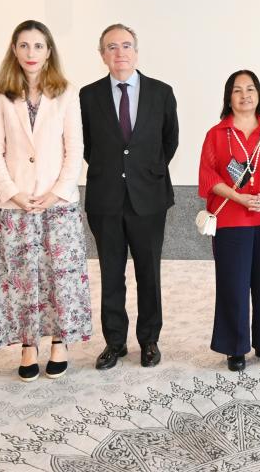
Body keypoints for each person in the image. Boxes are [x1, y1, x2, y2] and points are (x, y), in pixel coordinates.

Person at [0, 20, 91, 381]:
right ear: (14, 50)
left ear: (49, 52)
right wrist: (12, 192)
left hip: (57, 204)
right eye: (24, 45)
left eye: (38, 46)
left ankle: (60, 341)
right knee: (22, 277)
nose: (31, 53)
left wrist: (57, 191)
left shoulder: (66, 93)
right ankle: (28, 344)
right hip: (13, 206)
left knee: (59, 275)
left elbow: (75, 149)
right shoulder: (1, 93)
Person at [81, 23, 179, 370]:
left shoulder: (161, 92)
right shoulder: (88, 96)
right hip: (105, 198)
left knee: (148, 272)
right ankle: (115, 341)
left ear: (136, 52)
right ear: (102, 55)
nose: (119, 52)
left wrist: (145, 172)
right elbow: (87, 145)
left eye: (125, 45)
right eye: (111, 47)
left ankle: (149, 340)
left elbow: (169, 140)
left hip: (148, 198)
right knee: (111, 273)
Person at [198, 70, 260, 371]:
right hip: (231, 219)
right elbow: (208, 177)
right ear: (229, 98)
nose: (245, 95)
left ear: (259, 95)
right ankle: (235, 346)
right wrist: (238, 197)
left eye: (250, 89)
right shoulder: (217, 134)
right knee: (233, 283)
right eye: (237, 90)